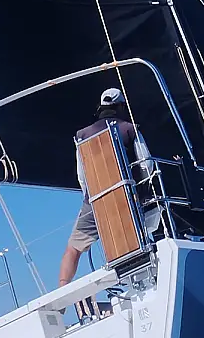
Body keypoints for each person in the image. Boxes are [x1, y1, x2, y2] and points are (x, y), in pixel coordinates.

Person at [59, 87, 159, 287]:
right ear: (121, 106)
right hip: (128, 197)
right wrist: (141, 190)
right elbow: (146, 164)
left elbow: (82, 175)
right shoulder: (130, 129)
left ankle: (62, 287)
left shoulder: (82, 135)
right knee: (153, 221)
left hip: (95, 201)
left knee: (73, 248)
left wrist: (92, 198)